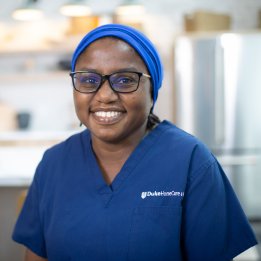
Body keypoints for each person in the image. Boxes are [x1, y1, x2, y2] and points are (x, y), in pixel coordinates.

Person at [12, 24, 258, 261]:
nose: (105, 95)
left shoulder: (192, 162)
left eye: (125, 80)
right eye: (88, 80)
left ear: (152, 91)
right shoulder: (53, 164)